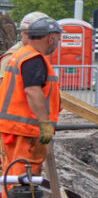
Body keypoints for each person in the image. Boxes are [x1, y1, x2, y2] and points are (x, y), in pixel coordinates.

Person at [0, 14, 63, 180]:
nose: (57, 44)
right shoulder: (33, 59)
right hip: (25, 129)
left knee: (13, 173)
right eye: (58, 39)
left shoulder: (20, 55)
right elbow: (33, 91)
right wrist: (44, 123)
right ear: (50, 38)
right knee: (22, 175)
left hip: (15, 128)